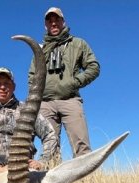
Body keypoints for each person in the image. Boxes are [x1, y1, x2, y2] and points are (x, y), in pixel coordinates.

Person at [29, 7, 100, 160]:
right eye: (50, 21)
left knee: (81, 145)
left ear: (63, 21)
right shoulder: (40, 49)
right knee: (50, 149)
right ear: (45, 25)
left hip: (70, 99)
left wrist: (74, 82)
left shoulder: (77, 43)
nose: (53, 23)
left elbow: (94, 67)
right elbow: (32, 76)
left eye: (57, 20)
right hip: (46, 103)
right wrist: (36, 97)